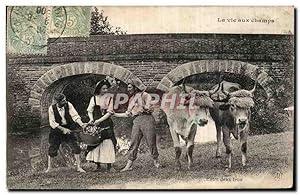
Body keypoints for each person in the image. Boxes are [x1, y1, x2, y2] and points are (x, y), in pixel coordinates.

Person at [114, 82, 160, 172]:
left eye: (130, 87)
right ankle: (129, 165)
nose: (128, 89)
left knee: (151, 142)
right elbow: (128, 114)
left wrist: (144, 107)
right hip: (136, 121)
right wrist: (116, 114)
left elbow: (151, 108)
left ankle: (156, 162)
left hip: (147, 119)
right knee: (134, 142)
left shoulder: (145, 95)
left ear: (135, 87)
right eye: (128, 87)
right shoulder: (131, 99)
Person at [46, 93, 86, 173]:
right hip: (56, 131)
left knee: (76, 147)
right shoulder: (51, 108)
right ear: (58, 102)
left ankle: (79, 167)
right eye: (63, 101)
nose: (65, 102)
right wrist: (63, 129)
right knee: (52, 148)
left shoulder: (68, 105)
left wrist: (82, 125)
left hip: (69, 128)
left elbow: (75, 116)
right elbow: (52, 123)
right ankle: (49, 168)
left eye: (65, 100)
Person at [85, 79, 117, 172]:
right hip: (95, 123)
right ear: (99, 89)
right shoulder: (94, 98)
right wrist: (91, 119)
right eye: (103, 89)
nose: (106, 90)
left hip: (106, 122)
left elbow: (109, 112)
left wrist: (99, 120)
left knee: (108, 143)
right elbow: (89, 111)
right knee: (95, 142)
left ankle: (109, 166)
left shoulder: (110, 98)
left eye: (106, 88)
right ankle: (97, 165)